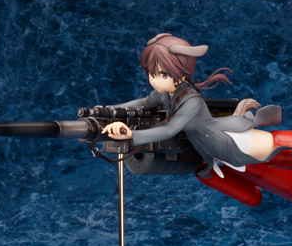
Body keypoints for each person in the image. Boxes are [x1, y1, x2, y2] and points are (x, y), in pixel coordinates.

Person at [102, 34, 282, 178]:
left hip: (222, 142)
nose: (154, 80)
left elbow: (170, 129)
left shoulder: (191, 100)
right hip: (202, 144)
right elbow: (145, 102)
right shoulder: (167, 91)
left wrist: (132, 135)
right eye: (151, 73)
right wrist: (111, 110)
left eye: (162, 75)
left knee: (271, 152)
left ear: (181, 74)